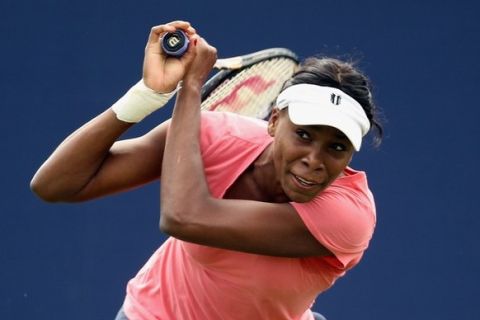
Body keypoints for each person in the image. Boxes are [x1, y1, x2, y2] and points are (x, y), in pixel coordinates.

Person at [30, 20, 383, 320]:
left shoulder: (348, 215)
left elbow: (182, 217)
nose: (314, 159)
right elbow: (55, 184)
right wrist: (148, 95)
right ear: (274, 121)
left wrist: (190, 89)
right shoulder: (216, 136)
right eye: (303, 135)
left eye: (337, 147)